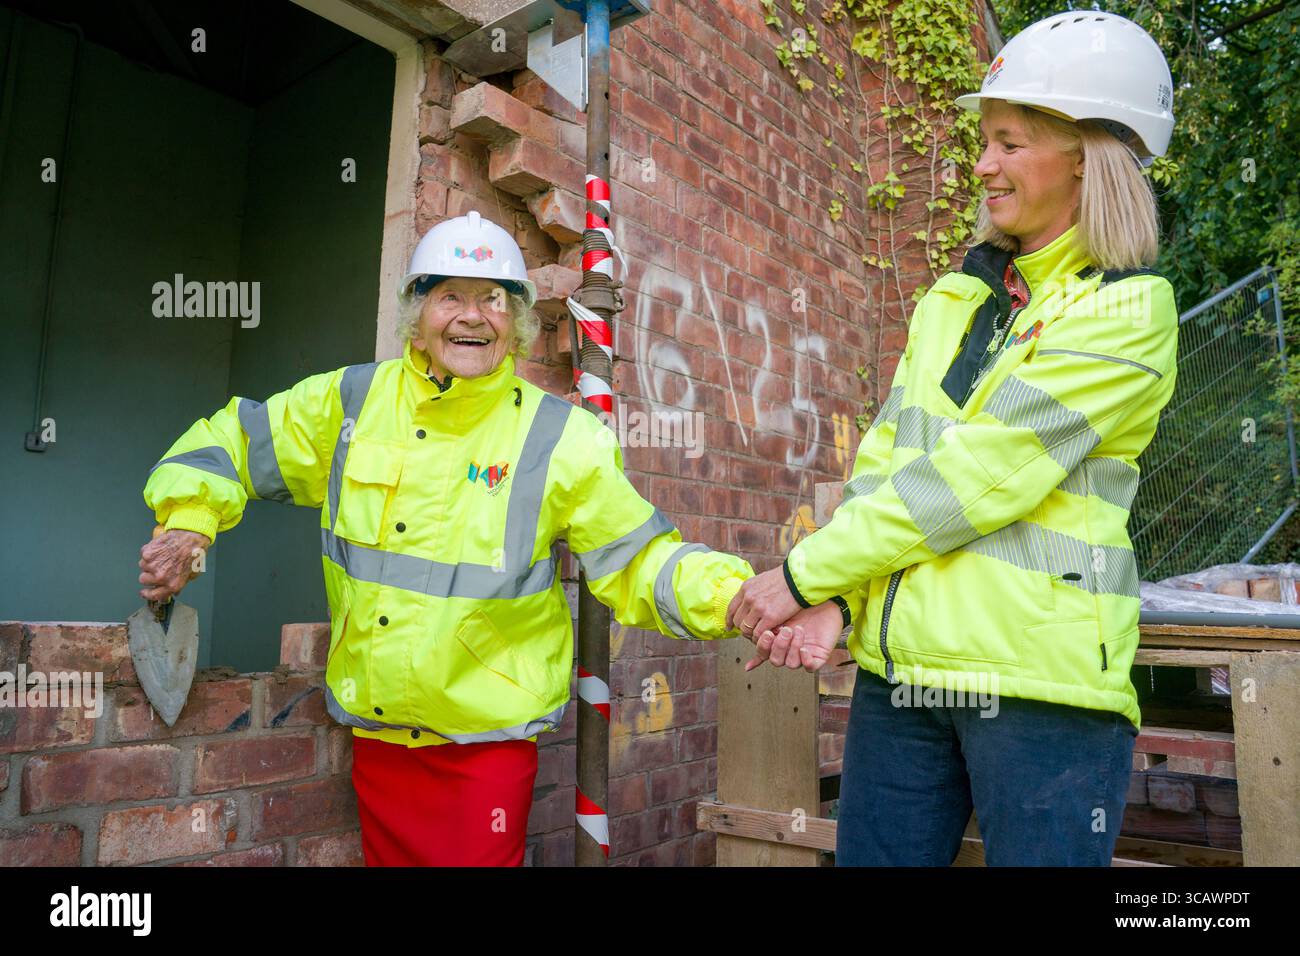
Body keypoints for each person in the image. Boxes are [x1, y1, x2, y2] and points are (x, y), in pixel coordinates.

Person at [139, 210, 756, 866]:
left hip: (481, 754)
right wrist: (189, 521)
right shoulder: (352, 404)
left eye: (492, 298)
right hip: (378, 741)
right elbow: (230, 443)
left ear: (517, 321)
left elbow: (638, 560)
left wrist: (740, 599)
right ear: (417, 311)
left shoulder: (560, 440)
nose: (471, 315)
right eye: (449, 295)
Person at [728, 10, 1179, 866]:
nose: (982, 166)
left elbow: (978, 478)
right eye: (986, 142)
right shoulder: (954, 298)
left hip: (1037, 688)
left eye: (1008, 143)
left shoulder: (1129, 311)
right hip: (903, 681)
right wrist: (843, 602)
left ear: (1088, 156)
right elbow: (888, 465)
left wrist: (799, 576)